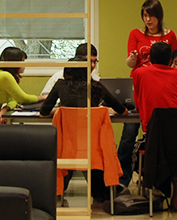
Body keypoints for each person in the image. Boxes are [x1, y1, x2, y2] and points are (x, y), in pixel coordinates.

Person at [41, 51, 127, 203]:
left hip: (66, 145)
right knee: (92, 150)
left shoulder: (60, 85)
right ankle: (101, 192)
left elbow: (43, 113)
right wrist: (103, 111)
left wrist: (61, 110)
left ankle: (59, 191)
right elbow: (122, 110)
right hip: (93, 146)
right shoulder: (96, 86)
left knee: (67, 149)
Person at [118, 0, 177, 189]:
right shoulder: (135, 34)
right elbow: (129, 64)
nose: (148, 19)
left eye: (151, 15)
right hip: (140, 88)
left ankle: (163, 179)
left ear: (158, 16)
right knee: (129, 134)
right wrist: (132, 58)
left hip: (162, 89)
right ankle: (122, 180)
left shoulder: (170, 36)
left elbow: (176, 62)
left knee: (162, 134)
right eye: (145, 15)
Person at [131, 42, 177, 133]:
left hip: (151, 125)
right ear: (170, 61)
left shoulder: (139, 73)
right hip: (176, 125)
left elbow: (138, 99)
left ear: (149, 58)